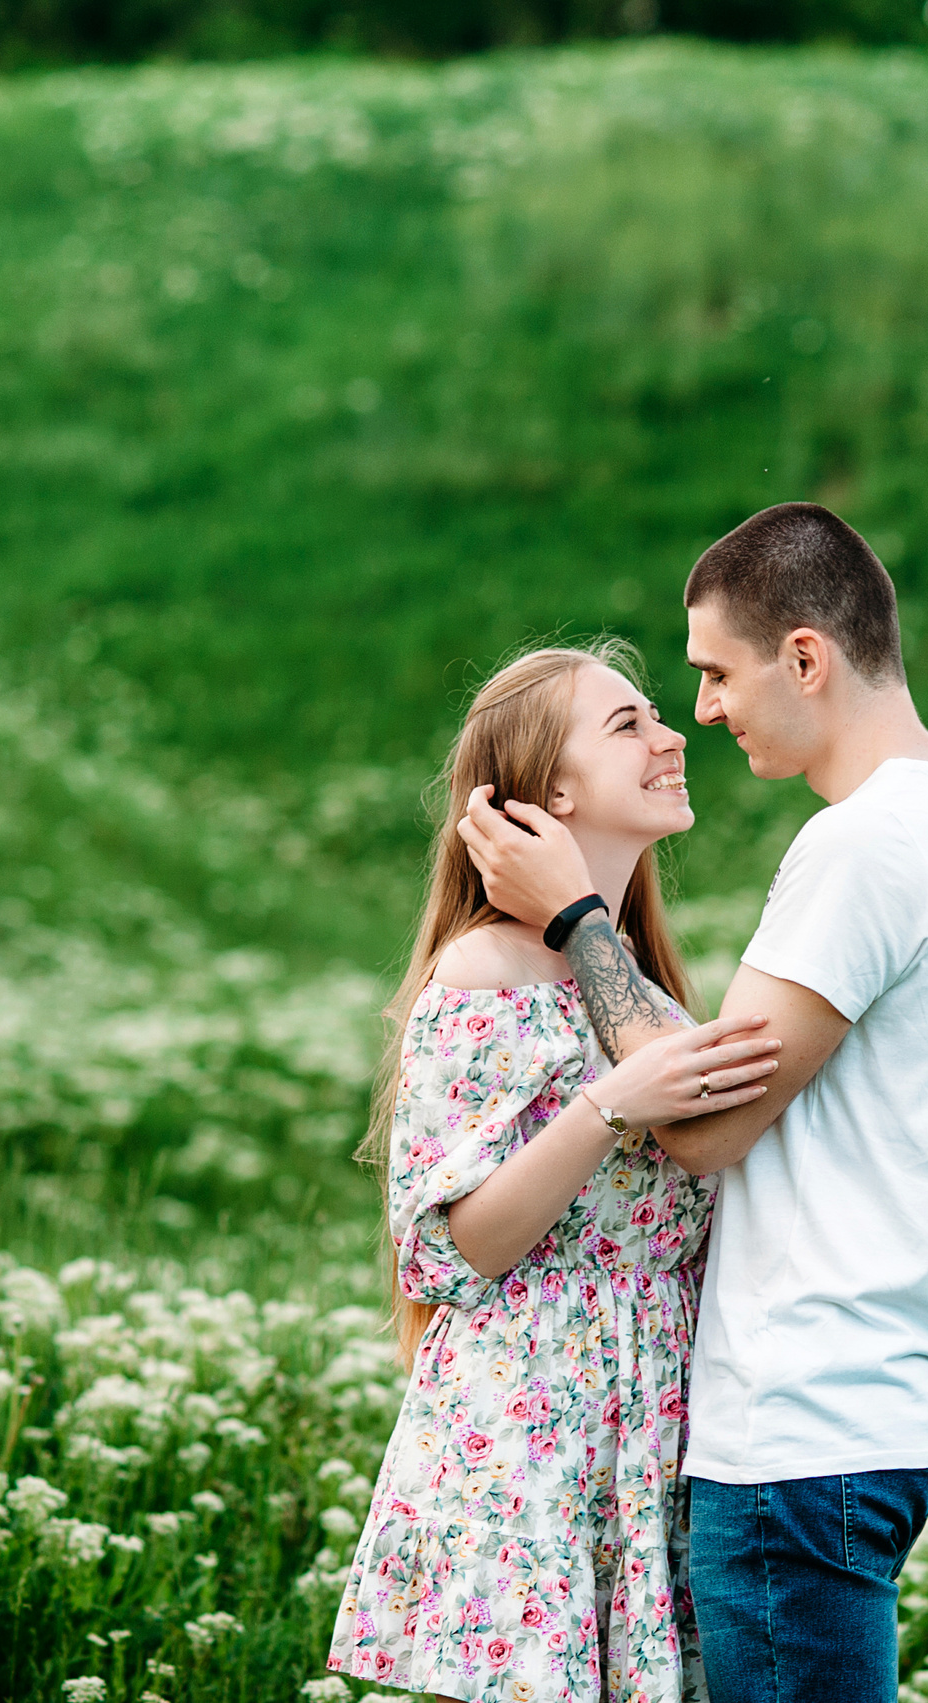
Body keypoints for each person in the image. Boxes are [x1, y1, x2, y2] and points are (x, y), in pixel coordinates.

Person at [460, 502, 928, 1703]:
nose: (707, 710)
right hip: (881, 1411)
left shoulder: (863, 846)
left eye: (716, 673)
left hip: (800, 1436)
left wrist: (574, 920)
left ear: (807, 658)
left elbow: (704, 1125)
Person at [325, 640, 784, 1699]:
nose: (673, 736)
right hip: (528, 1425)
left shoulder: (649, 1001)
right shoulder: (487, 968)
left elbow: (712, 1235)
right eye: (628, 724)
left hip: (650, 1423)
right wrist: (607, 1106)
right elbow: (454, 1245)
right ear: (552, 790)